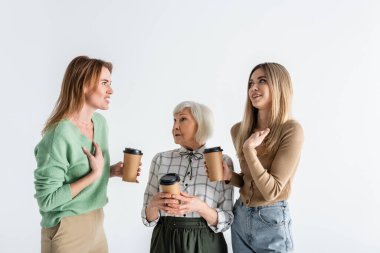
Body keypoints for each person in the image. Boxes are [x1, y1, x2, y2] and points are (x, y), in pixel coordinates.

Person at [34, 56, 135, 253]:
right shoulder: (59, 134)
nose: (111, 90)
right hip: (67, 229)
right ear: (83, 85)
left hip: (97, 224)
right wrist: (94, 176)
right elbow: (46, 200)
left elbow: (80, 172)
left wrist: (109, 171)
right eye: (104, 83)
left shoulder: (100, 124)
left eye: (110, 83)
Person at [224, 63, 304, 253]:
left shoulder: (291, 130)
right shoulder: (239, 130)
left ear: (278, 86)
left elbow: (272, 191)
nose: (253, 88)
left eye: (262, 81)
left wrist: (249, 150)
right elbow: (249, 180)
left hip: (271, 219)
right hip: (241, 216)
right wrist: (229, 176)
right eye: (251, 83)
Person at [142, 101, 234, 253]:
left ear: (201, 124)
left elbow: (227, 220)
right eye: (174, 120)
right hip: (164, 240)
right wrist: (153, 205)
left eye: (182, 119)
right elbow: (148, 219)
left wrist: (200, 207)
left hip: (206, 242)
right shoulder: (160, 159)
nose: (175, 126)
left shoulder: (222, 162)